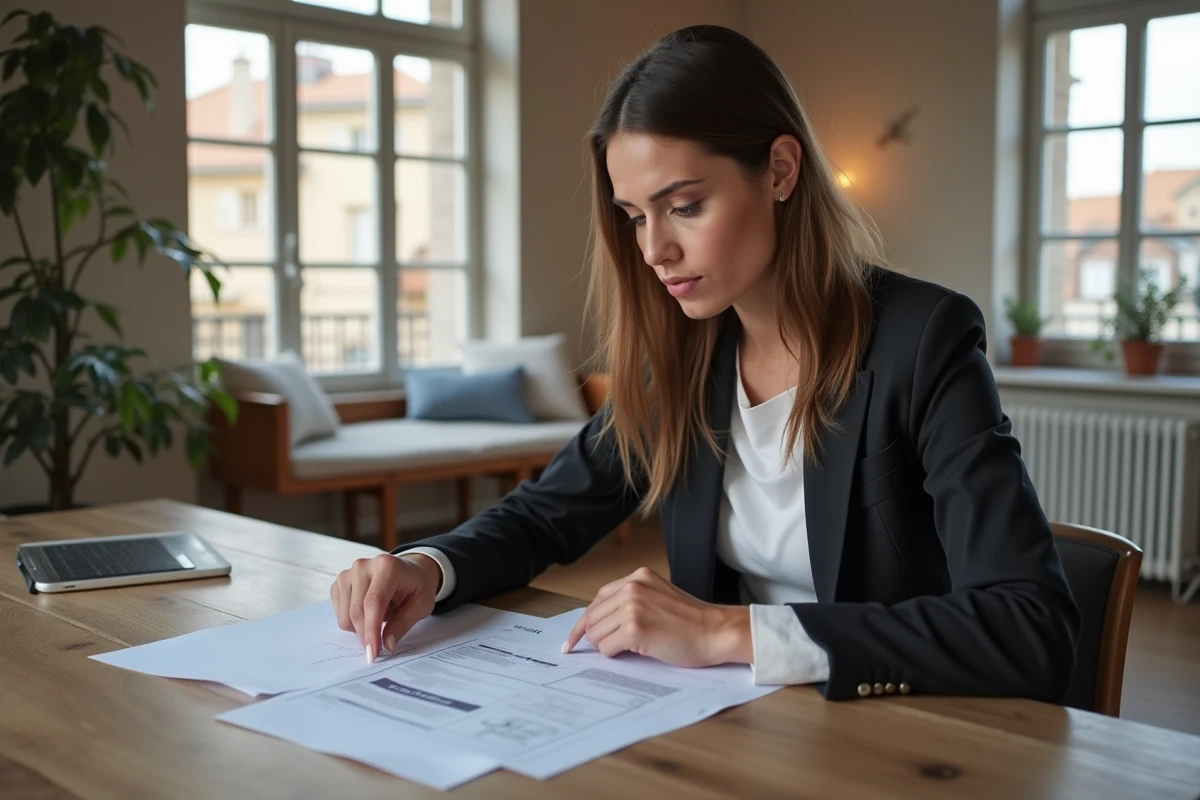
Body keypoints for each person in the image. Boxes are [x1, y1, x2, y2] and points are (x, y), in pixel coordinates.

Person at [330, 24, 1080, 702]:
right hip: (727, 729)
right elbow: (546, 513)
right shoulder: (685, 357)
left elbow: (1031, 625)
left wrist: (729, 631)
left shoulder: (925, 340)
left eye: (684, 206)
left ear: (780, 170)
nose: (654, 249)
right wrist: (428, 568)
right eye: (634, 217)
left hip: (896, 734)